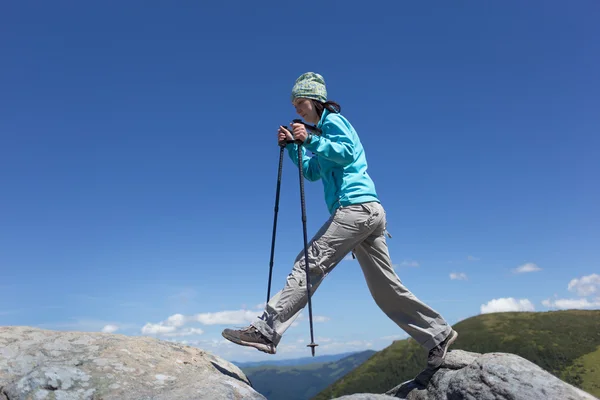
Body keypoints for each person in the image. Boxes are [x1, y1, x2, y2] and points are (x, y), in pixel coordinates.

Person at [222, 72, 457, 369]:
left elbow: (346, 153)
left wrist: (308, 138)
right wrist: (296, 146)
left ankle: (265, 331)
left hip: (355, 208)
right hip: (366, 212)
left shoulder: (333, 122)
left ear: (317, 101)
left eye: (301, 101)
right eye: (294, 103)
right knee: (384, 287)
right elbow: (312, 172)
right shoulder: (320, 135)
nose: (297, 107)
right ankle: (438, 334)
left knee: (310, 263)